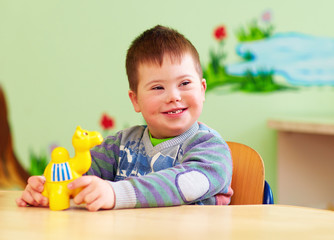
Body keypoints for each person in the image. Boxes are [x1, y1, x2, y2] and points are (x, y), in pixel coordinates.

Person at [16, 25, 233, 211]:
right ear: (135, 100)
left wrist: (116, 192)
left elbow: (182, 184)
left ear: (202, 89)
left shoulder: (211, 149)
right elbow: (81, 178)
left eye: (184, 83)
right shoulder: (121, 145)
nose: (173, 97)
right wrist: (50, 189)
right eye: (158, 87)